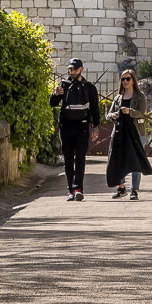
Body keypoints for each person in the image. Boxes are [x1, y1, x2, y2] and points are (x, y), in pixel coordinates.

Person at [50, 59, 100, 201]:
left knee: (80, 159)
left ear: (81, 69)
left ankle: (78, 188)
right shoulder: (63, 85)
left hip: (82, 126)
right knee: (67, 159)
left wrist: (95, 127)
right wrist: (55, 94)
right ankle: (70, 190)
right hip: (66, 127)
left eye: (75, 69)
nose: (72, 72)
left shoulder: (89, 87)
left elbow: (95, 109)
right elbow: (52, 103)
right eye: (70, 69)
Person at [106, 68, 152, 200]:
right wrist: (113, 115)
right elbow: (108, 115)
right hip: (120, 133)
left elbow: (142, 113)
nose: (125, 81)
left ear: (133, 80)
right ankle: (121, 188)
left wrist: (129, 111)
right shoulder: (118, 97)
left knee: (135, 161)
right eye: (123, 79)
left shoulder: (140, 96)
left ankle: (134, 190)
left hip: (136, 133)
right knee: (119, 159)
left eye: (128, 79)